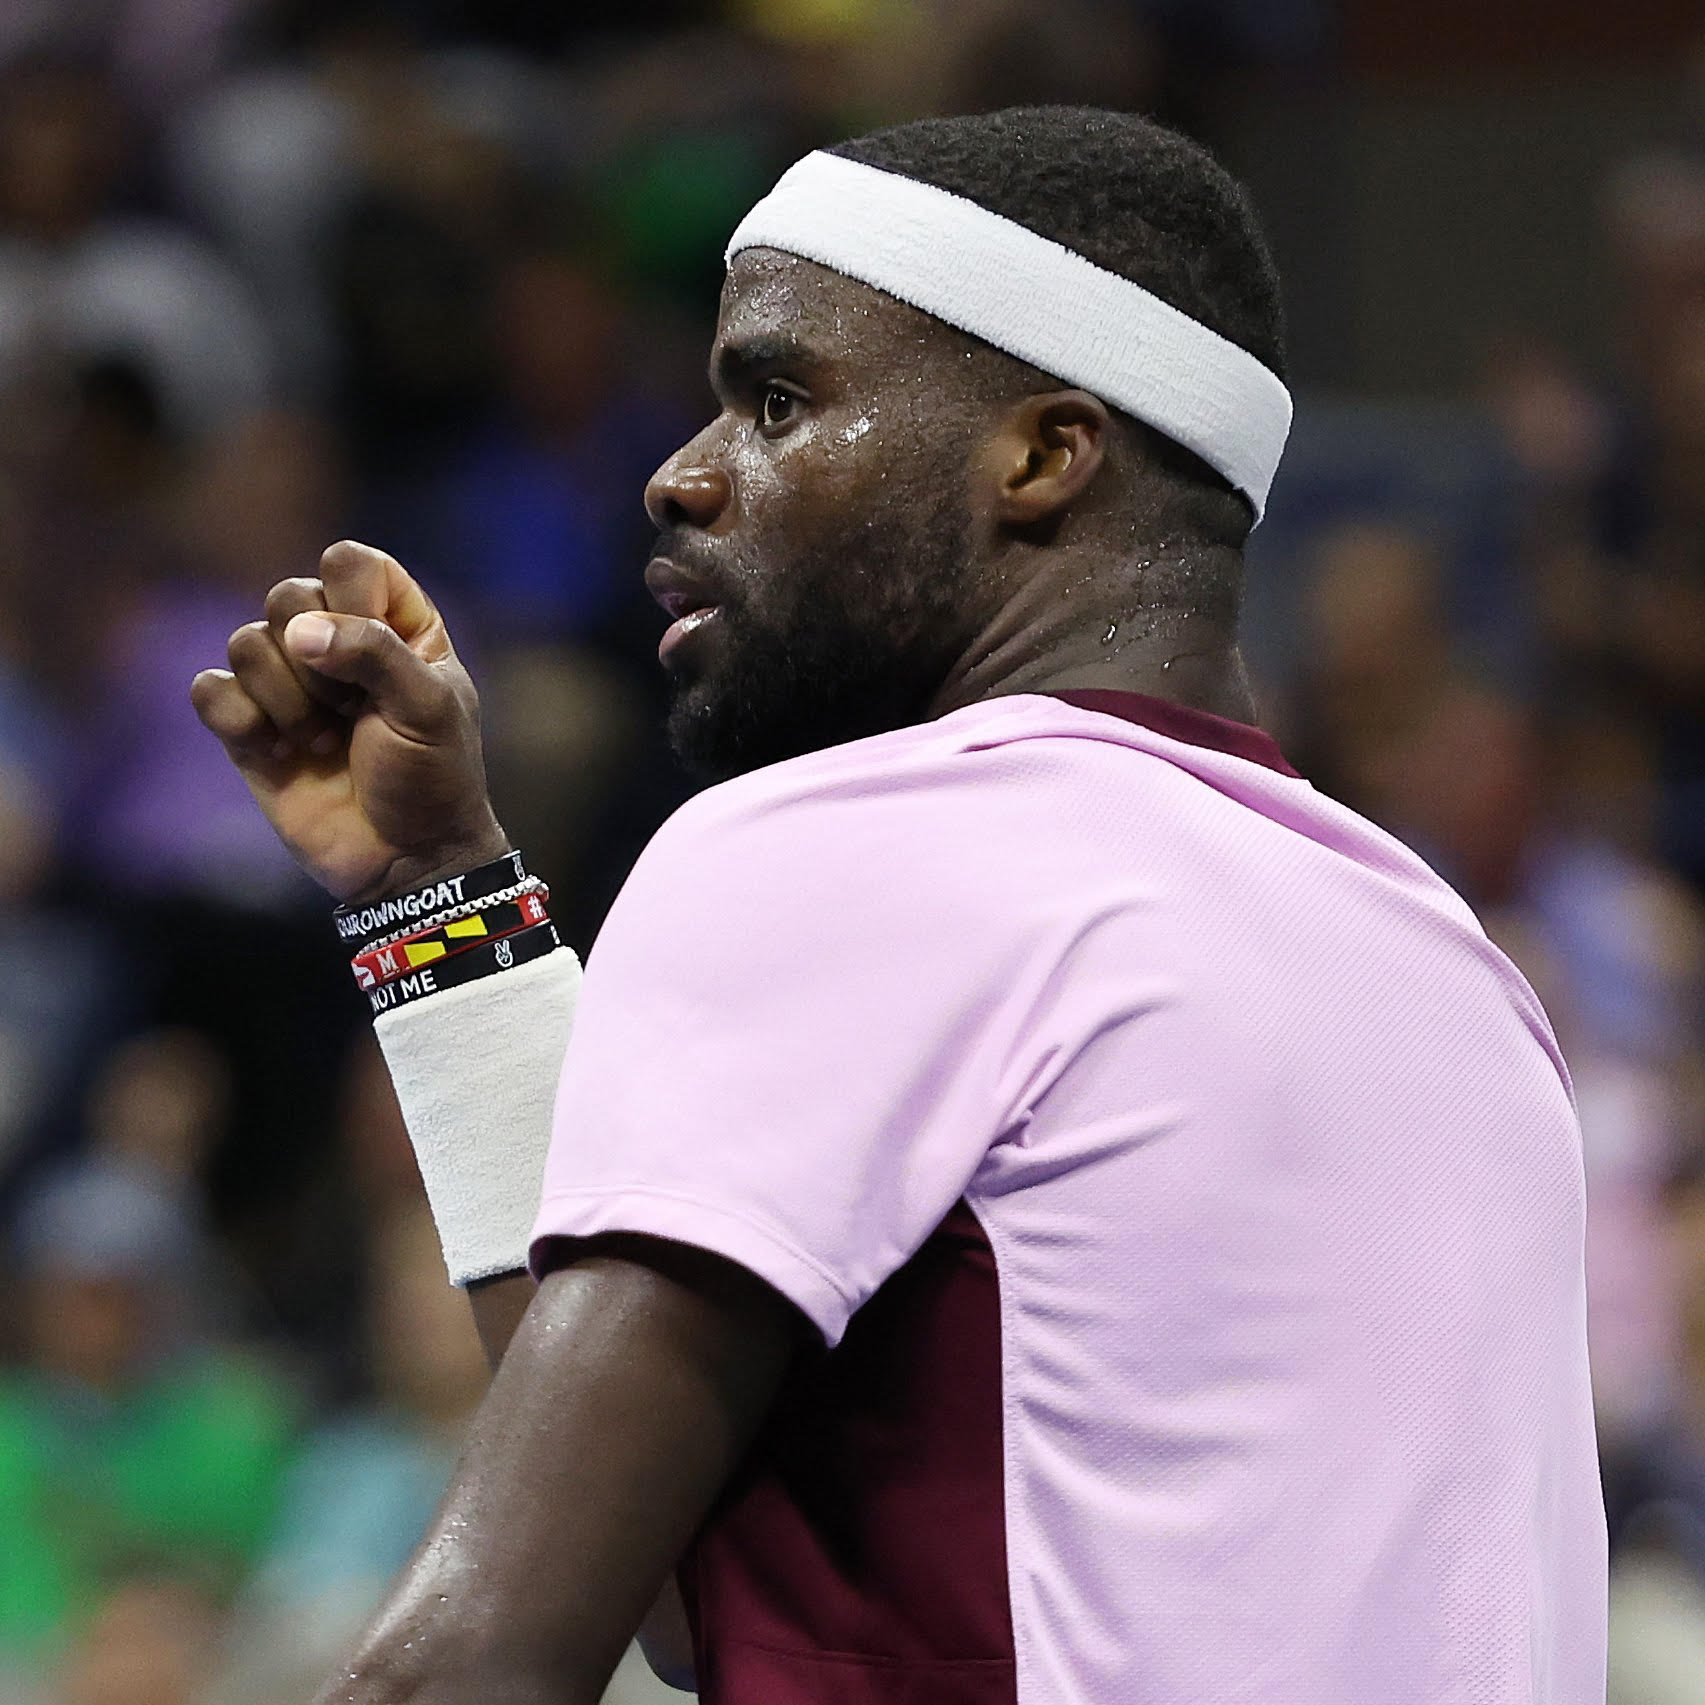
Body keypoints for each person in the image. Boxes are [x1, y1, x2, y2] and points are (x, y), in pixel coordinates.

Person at [189, 107, 1607, 1704]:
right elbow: (698, 1574)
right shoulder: (1461, 975)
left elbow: (474, 1661)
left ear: (1042, 454)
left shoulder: (858, 843)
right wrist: (436, 897)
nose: (680, 475)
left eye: (777, 401)